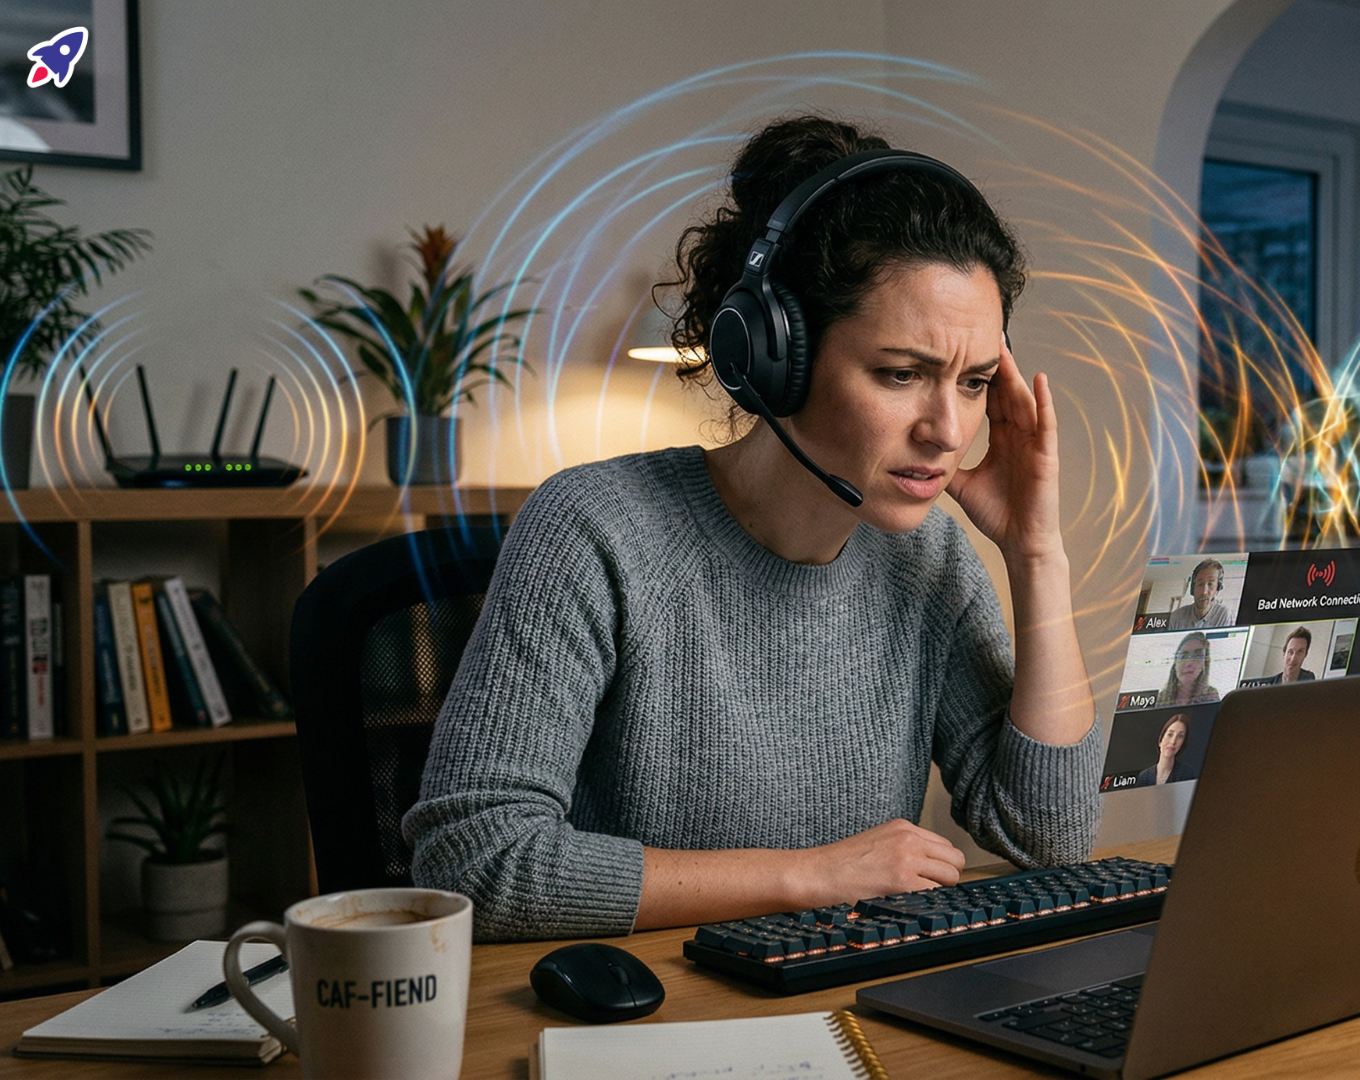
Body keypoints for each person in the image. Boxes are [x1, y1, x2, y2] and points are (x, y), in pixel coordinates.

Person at [401, 116, 1103, 941]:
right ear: (774, 357)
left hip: (833, 1010)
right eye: (902, 374)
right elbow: (471, 862)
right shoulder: (592, 530)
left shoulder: (930, 555)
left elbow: (1051, 836)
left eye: (976, 380)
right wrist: (803, 877)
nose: (949, 430)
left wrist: (1035, 555)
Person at [1159, 631, 1221, 707]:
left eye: (1197, 656)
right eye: (1183, 656)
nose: (1189, 663)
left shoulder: (1210, 695)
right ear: (1175, 663)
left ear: (1204, 664)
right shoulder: (1162, 697)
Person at [1134, 713, 1197, 786]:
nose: (1173, 741)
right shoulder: (1144, 777)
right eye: (1170, 734)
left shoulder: (1187, 773)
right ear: (1161, 739)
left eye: (1180, 736)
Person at [1168, 558, 1231, 629]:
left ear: (1217, 589)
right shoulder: (1176, 616)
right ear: (1193, 588)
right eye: (1200, 584)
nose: (1204, 592)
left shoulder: (1223, 614)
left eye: (1210, 584)